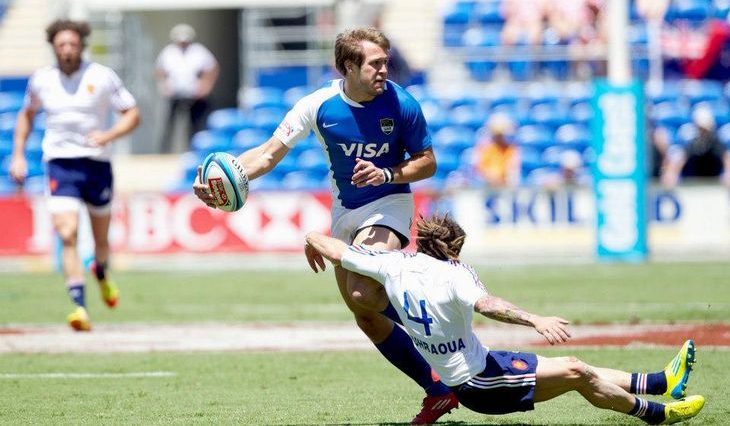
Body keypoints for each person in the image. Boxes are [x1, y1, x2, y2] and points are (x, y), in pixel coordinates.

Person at [193, 27, 457, 424]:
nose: (385, 70)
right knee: (363, 312)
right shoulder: (317, 106)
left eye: (385, 62)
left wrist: (386, 174)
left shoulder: (402, 104)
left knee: (361, 288)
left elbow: (428, 161)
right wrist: (223, 180)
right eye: (375, 63)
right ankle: (437, 390)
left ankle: (446, 332)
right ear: (348, 67)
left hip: (389, 203)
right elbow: (266, 156)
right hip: (344, 212)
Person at [303, 213, 706, 425]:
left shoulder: (391, 265)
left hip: (482, 366)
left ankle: (660, 383)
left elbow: (336, 250)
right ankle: (655, 414)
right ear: (454, 249)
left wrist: (310, 240)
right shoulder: (456, 273)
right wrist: (535, 319)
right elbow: (490, 305)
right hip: (479, 383)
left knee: (566, 369)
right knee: (577, 372)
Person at [9, 19, 140, 331]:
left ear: (82, 45)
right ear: (53, 47)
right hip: (60, 164)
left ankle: (102, 272)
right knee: (67, 233)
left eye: (72, 44)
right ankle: (80, 307)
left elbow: (132, 113)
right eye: (61, 45)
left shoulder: (102, 76)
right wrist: (17, 155)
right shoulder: (41, 80)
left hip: (96, 164)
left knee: (100, 240)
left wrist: (108, 136)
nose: (67, 49)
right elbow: (26, 115)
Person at [155, 23, 220, 153]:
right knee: (169, 125)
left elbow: (212, 68)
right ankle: (164, 152)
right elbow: (159, 70)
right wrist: (164, 85)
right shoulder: (168, 52)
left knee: (196, 125)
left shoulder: (199, 51)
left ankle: (195, 151)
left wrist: (205, 86)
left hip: (194, 94)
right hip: (175, 94)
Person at [661, 105, 730, 187]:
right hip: (693, 182)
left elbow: (726, 157)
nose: (703, 131)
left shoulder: (715, 141)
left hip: (713, 181)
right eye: (700, 128)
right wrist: (672, 174)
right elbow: (681, 158)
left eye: (705, 128)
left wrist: (728, 173)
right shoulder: (692, 141)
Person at [473, 113, 521, 187]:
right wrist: (491, 177)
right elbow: (479, 169)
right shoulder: (484, 148)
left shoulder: (510, 149)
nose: (499, 136)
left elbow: (513, 171)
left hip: (504, 187)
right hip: (486, 186)